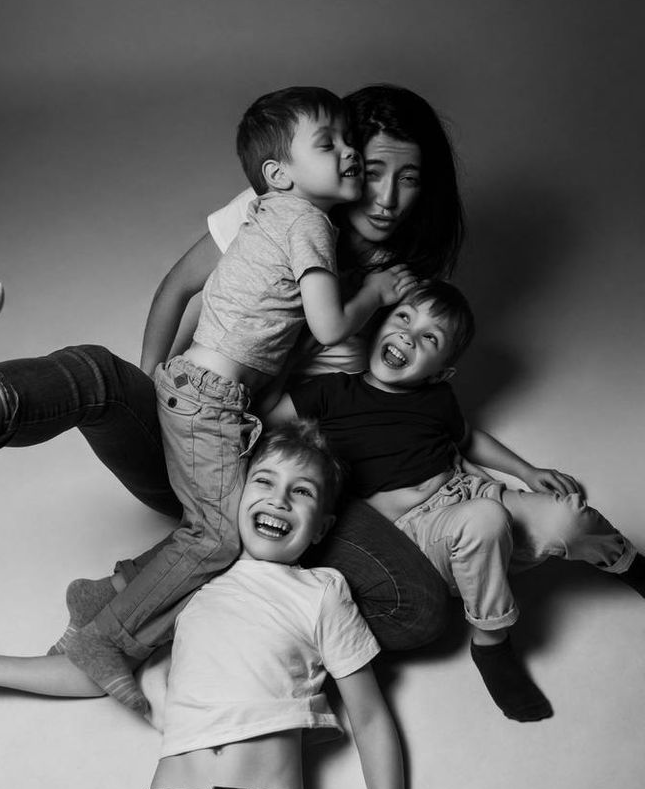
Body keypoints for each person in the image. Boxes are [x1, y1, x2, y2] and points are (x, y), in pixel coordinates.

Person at [0, 84, 463, 671]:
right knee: (96, 373)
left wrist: (469, 483)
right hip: (198, 426)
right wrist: (151, 394)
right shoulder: (276, 206)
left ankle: (157, 590)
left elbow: (401, 407)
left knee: (419, 608)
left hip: (280, 477)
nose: (387, 198)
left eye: (410, 179)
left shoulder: (406, 290)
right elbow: (179, 286)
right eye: (372, 168)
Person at [0, 422, 437, 789]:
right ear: (236, 495)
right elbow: (98, 670)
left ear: (321, 527)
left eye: (301, 492)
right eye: (264, 481)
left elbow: (370, 718)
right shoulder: (192, 588)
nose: (279, 500)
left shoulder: (322, 592)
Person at [265, 281, 645, 722]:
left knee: (568, 519)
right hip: (418, 536)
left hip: (471, 494)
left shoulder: (436, 399)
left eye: (430, 338)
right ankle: (491, 641)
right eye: (404, 319)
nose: (409, 336)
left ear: (442, 370)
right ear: (379, 326)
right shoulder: (331, 393)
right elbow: (269, 421)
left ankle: (630, 564)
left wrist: (525, 472)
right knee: (481, 521)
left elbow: (467, 437)